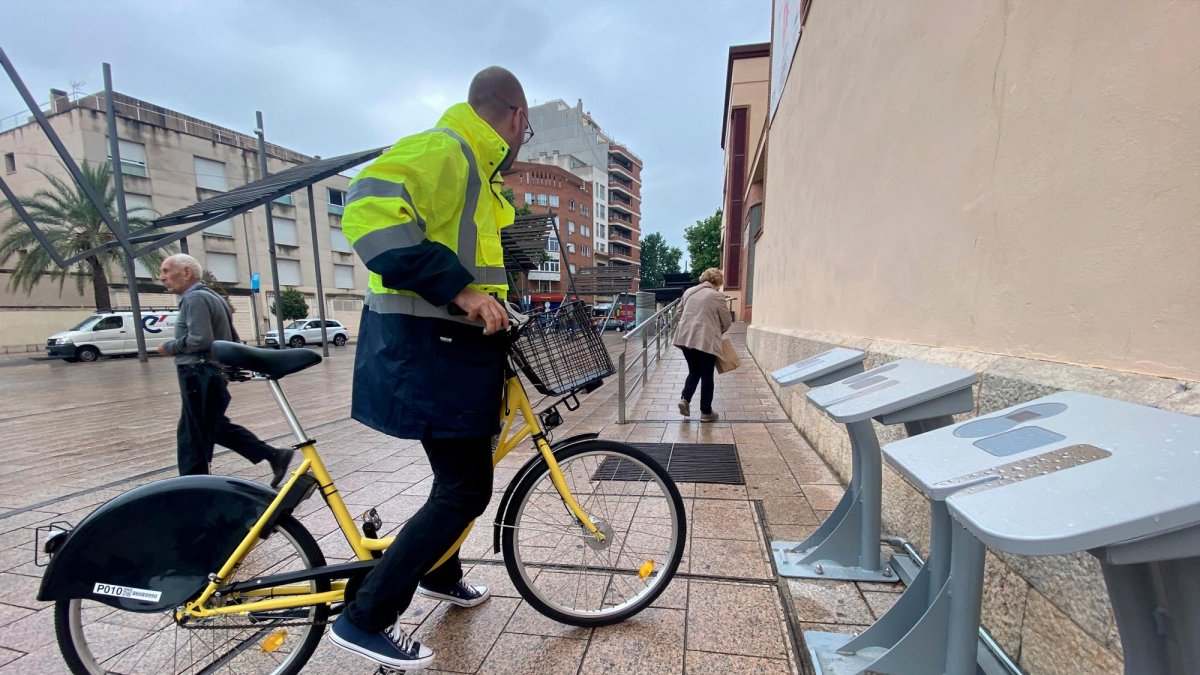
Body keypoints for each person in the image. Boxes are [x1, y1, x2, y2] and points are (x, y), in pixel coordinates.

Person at [327, 66, 530, 671]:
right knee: (466, 488)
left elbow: (476, 265)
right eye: (527, 129)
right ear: (516, 118)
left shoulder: (477, 172)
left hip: (452, 351)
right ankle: (365, 617)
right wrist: (462, 294)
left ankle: (441, 575)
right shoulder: (447, 150)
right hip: (430, 350)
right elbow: (366, 212)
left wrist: (494, 303)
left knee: (458, 481)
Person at [156, 254, 294, 484]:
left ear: (187, 272)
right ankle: (273, 455)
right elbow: (231, 336)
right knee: (211, 428)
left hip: (197, 373)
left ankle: (192, 488)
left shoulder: (195, 299)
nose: (162, 277)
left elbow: (201, 339)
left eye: (166, 271)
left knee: (193, 439)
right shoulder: (212, 297)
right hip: (207, 374)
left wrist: (169, 347)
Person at [673, 267, 733, 423]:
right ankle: (706, 412)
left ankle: (685, 399)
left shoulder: (689, 292)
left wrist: (689, 326)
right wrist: (717, 330)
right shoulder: (717, 296)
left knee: (694, 371)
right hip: (706, 340)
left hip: (686, 339)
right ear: (717, 281)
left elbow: (678, 313)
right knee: (707, 375)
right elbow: (726, 321)